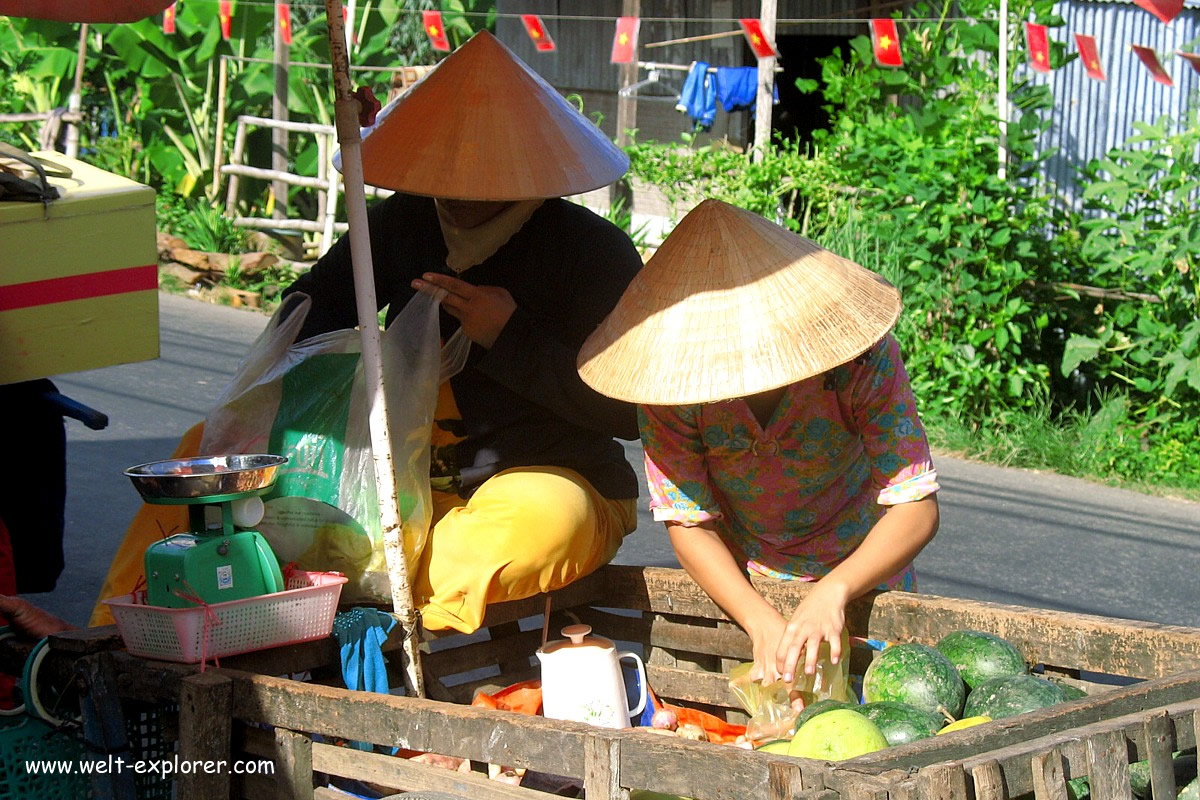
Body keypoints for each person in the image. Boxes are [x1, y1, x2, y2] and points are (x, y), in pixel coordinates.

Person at [278, 31, 642, 634]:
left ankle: (380, 609)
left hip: (546, 482)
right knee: (220, 480)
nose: (462, 184)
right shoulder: (398, 224)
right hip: (405, 487)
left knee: (538, 526)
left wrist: (510, 335)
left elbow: (631, 414)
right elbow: (302, 322)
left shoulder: (591, 251)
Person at [577, 199, 940, 687]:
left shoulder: (861, 361)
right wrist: (759, 619)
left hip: (866, 580)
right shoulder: (672, 386)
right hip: (739, 588)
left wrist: (835, 589)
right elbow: (689, 522)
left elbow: (915, 505)